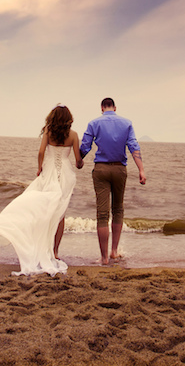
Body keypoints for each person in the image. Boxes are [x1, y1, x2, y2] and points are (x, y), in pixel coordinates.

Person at [0, 104, 82, 275]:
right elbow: (78, 161)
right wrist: (81, 161)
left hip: (49, 172)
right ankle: (54, 252)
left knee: (43, 209)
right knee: (60, 213)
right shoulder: (73, 135)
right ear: (68, 118)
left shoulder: (48, 132)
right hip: (65, 175)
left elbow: (40, 152)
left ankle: (38, 246)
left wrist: (39, 168)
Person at [79, 98, 146, 265]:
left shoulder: (94, 123)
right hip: (119, 169)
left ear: (102, 108)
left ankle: (104, 258)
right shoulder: (126, 123)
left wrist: (77, 161)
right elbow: (133, 147)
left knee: (102, 214)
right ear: (115, 107)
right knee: (118, 209)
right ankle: (114, 251)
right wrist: (141, 170)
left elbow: (85, 147)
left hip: (101, 169)